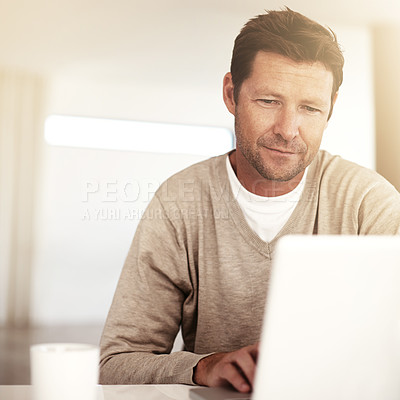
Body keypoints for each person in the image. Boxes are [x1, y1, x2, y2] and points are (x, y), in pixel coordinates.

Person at [99, 7, 400, 394]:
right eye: (269, 101)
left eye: (310, 108)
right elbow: (115, 364)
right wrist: (204, 368)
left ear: (331, 109)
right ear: (231, 93)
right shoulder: (178, 202)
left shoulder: (369, 203)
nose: (289, 130)